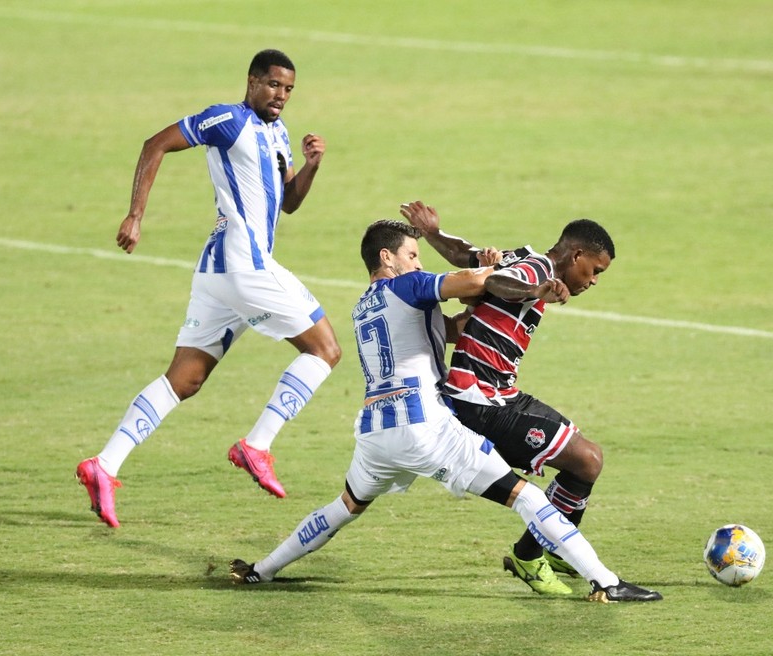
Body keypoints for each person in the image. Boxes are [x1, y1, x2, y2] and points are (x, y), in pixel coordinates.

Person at [229, 220, 660, 603]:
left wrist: (483, 277)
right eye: (411, 255)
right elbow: (475, 283)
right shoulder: (409, 286)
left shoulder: (364, 307)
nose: (417, 263)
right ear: (388, 258)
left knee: (345, 506)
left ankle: (261, 570)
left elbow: (454, 328)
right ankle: (606, 581)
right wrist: (506, 275)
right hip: (424, 426)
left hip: (375, 432)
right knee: (526, 496)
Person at [76, 49, 341, 527]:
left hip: (219, 274)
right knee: (325, 350)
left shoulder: (277, 134)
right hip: (246, 265)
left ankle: (104, 464)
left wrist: (311, 165)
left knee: (185, 379)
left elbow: (289, 204)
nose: (281, 96)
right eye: (274, 85)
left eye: (288, 89)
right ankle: (256, 445)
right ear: (253, 81)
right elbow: (154, 144)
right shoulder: (227, 119)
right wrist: (136, 214)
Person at [400, 200, 615, 596]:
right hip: (479, 400)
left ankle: (547, 548)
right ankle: (530, 556)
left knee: (587, 460)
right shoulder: (536, 270)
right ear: (576, 254)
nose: (595, 280)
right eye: (595, 270)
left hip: (502, 392)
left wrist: (431, 233)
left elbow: (469, 257)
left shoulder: (522, 257)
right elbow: (494, 283)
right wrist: (535, 291)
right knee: (586, 460)